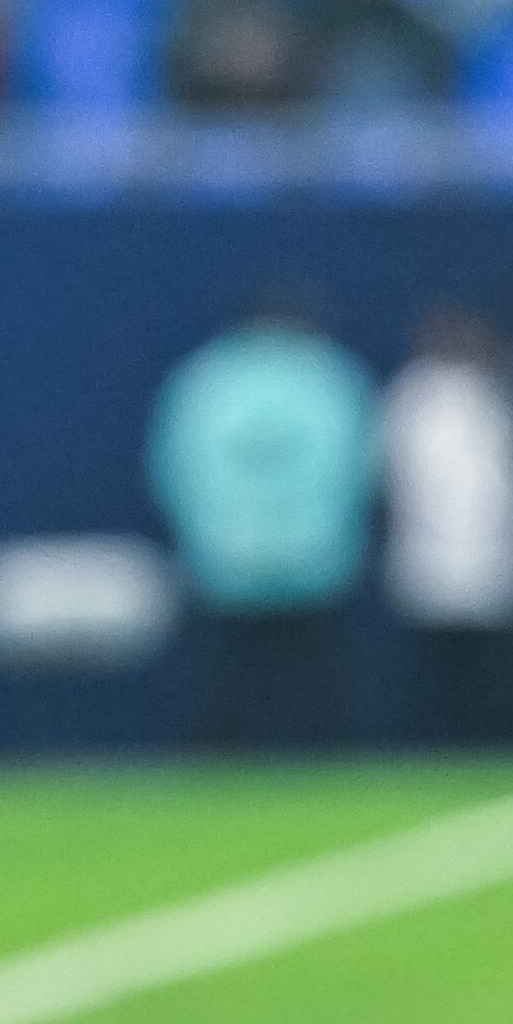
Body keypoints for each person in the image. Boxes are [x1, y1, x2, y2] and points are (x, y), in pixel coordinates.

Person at [147, 306, 381, 751]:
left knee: (234, 677)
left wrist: (212, 541)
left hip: (229, 562)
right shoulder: (328, 376)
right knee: (312, 681)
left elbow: (172, 468)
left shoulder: (206, 381)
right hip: (312, 563)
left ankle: (225, 757)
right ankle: (322, 755)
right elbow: (361, 467)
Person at [380, 306, 513, 745]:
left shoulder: (483, 397)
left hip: (470, 562)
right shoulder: (420, 399)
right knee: (452, 676)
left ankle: (474, 745)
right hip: (449, 561)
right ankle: (451, 745)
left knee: (474, 675)